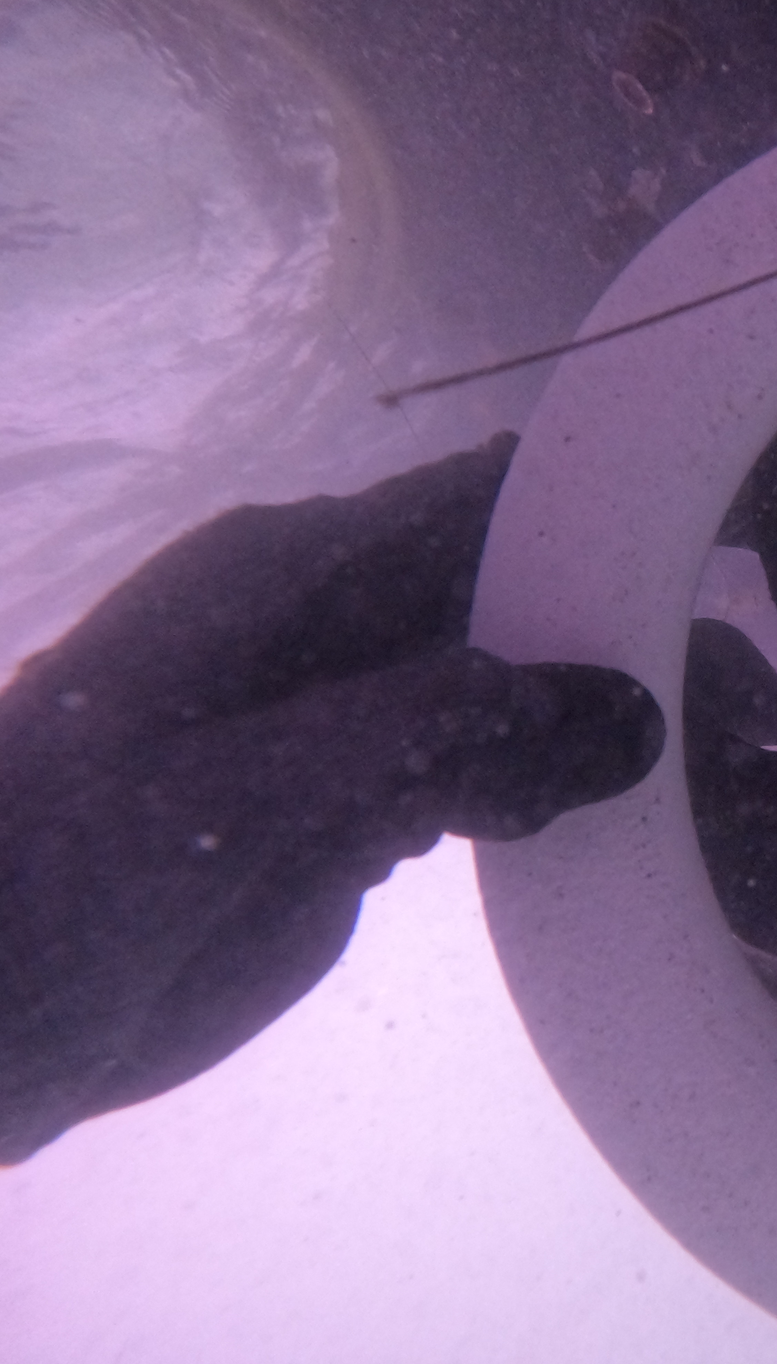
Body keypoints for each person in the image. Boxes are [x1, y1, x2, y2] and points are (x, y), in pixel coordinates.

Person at [0, 432, 664, 1165]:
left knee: (566, 498)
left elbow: (250, 801)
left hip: (325, 645)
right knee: (563, 493)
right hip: (287, 636)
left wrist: (511, 730)